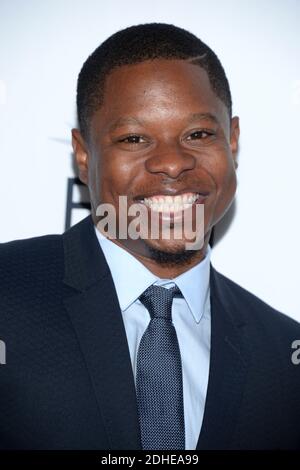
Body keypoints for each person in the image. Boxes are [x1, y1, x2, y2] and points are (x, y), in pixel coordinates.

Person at [0, 23, 299, 451]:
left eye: (198, 134)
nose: (173, 163)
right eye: (134, 138)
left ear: (232, 140)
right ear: (83, 155)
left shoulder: (284, 355)